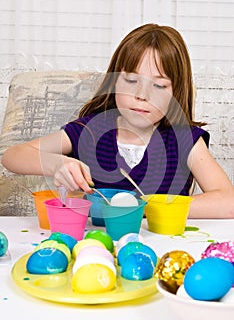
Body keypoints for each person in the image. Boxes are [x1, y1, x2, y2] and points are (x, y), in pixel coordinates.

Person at [1, 23, 234, 218]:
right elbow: (12, 157)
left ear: (175, 92)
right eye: (131, 81)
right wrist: (56, 164)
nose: (142, 95)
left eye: (159, 85)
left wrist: (143, 208)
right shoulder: (89, 131)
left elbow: (227, 201)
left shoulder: (184, 140)